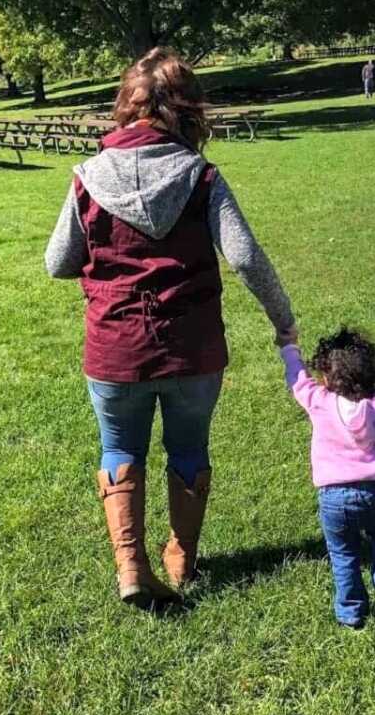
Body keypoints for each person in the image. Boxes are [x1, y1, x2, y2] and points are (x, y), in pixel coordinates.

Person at [45, 48, 296, 609]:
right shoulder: (201, 175)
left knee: (118, 446)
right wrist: (284, 322)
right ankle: (181, 557)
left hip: (114, 346)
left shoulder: (88, 177)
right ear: (188, 107)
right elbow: (246, 257)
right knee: (189, 447)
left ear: (124, 105)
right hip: (193, 347)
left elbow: (57, 260)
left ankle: (131, 566)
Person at [278, 327, 375, 628]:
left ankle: (351, 611)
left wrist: (289, 348)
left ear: (327, 379)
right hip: (373, 491)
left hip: (332, 497)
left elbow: (298, 379)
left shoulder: (319, 401)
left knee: (343, 553)